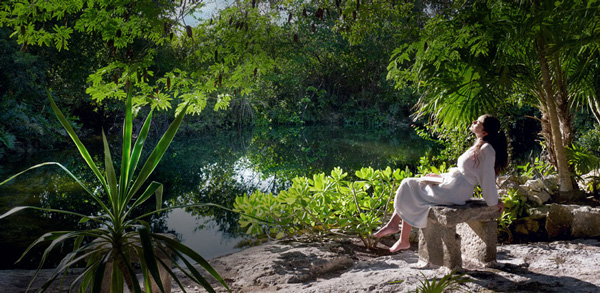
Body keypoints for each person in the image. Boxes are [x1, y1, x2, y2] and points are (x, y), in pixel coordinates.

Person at [374, 114, 508, 253]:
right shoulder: (479, 145)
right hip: (451, 185)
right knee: (411, 184)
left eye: (478, 122)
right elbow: (465, 170)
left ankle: (397, 230)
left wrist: (493, 202)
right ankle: (400, 234)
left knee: (409, 184)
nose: (474, 121)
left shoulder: (487, 149)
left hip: (456, 191)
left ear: (485, 132)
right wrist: (441, 177)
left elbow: (487, 178)